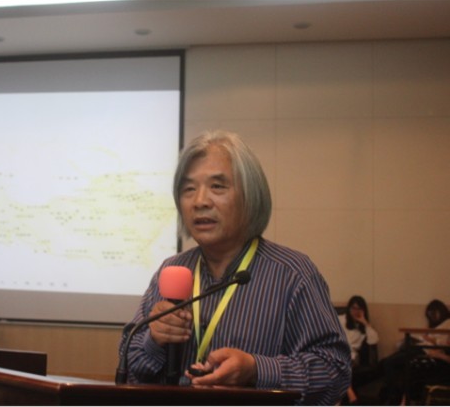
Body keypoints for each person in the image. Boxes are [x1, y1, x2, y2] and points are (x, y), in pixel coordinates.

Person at [119, 130, 351, 405]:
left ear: (250, 196)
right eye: (188, 189)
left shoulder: (293, 275)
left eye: (217, 187)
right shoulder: (171, 271)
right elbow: (127, 368)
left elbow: (335, 371)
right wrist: (154, 341)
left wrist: (256, 370)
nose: (200, 201)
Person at [379, 299, 450, 404]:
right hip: (423, 349)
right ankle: (391, 395)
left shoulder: (447, 323)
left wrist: (430, 339)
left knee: (391, 363)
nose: (432, 317)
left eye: (433, 313)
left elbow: (443, 343)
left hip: (427, 352)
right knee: (387, 362)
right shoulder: (436, 325)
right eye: (430, 314)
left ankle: (393, 397)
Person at [338, 295, 379, 404]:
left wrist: (365, 322)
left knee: (340, 365)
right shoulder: (340, 320)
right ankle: (350, 393)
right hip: (337, 352)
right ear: (349, 309)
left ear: (363, 310)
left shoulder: (364, 327)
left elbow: (374, 340)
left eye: (359, 309)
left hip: (352, 357)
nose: (355, 311)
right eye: (353, 308)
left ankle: (347, 396)